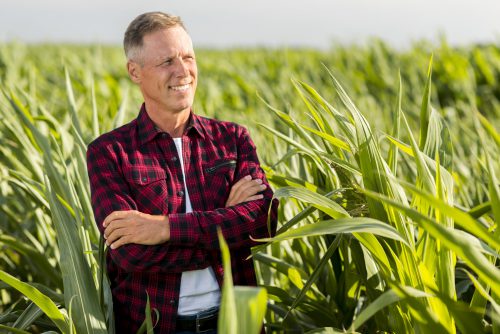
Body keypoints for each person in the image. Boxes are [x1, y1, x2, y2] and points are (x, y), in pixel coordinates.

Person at [86, 11, 278, 334]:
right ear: (135, 71)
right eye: (167, 62)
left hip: (243, 317)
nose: (183, 71)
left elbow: (265, 221)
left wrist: (164, 229)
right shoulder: (109, 153)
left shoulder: (233, 138)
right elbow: (130, 255)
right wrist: (225, 230)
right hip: (157, 325)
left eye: (188, 57)